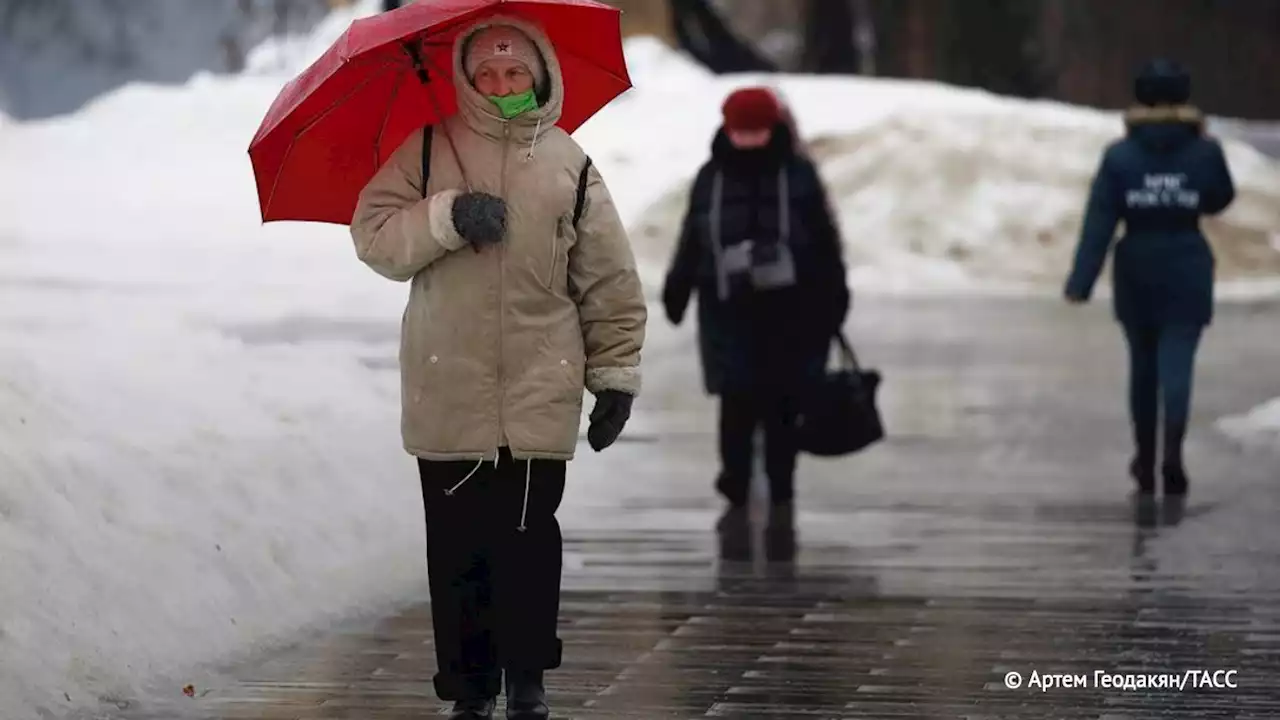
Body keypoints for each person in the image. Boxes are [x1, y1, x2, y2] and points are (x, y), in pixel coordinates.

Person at [349, 17, 646, 720]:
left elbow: (608, 280)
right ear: (465, 80)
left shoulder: (569, 163)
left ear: (539, 76)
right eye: (486, 75)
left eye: (515, 74)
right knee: (457, 553)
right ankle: (471, 690)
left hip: (542, 383)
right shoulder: (425, 149)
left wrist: (615, 377)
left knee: (528, 545)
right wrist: (447, 215)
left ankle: (529, 680)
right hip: (447, 382)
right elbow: (375, 236)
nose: (501, 86)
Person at [661, 86, 849, 514]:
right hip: (726, 307)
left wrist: (834, 293)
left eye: (756, 131)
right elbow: (693, 233)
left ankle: (781, 482)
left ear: (773, 128)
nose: (747, 139)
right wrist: (679, 286)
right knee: (736, 396)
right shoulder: (711, 175)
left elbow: (824, 239)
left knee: (783, 398)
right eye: (740, 131)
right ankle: (735, 476)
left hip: (791, 309)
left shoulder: (799, 175)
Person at [1064, 59, 1235, 498]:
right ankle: (1173, 453)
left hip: (1137, 265)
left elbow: (1100, 220)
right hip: (1187, 263)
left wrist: (1081, 281)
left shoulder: (1120, 155)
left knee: (1142, 369)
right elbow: (1219, 199)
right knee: (1178, 364)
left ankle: (1144, 457)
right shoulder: (1205, 150)